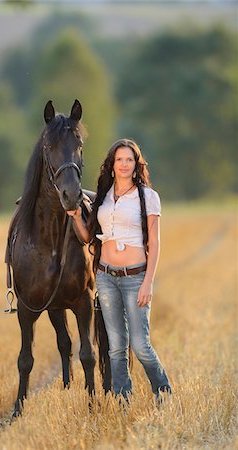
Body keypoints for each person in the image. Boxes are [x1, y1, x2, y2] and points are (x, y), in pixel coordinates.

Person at [67, 138, 171, 403]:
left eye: (129, 160)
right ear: (111, 165)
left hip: (135, 277)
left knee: (140, 345)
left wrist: (148, 282)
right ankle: (122, 400)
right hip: (105, 276)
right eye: (119, 160)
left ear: (136, 165)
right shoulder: (104, 195)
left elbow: (154, 242)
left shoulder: (148, 197)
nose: (124, 164)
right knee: (115, 347)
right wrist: (77, 217)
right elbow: (89, 238)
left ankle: (163, 391)